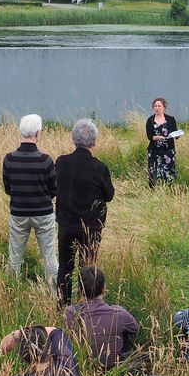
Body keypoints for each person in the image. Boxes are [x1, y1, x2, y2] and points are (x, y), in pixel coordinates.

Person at [54, 118, 115, 305]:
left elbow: (55, 188)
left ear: (74, 140)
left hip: (66, 224)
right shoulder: (99, 167)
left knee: (65, 266)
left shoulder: (61, 162)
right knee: (87, 267)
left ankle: (63, 305)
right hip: (90, 226)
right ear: (94, 142)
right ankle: (86, 305)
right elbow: (109, 195)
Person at [3, 113, 59, 295]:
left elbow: (8, 188)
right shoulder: (46, 160)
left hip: (18, 212)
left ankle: (12, 292)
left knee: (15, 257)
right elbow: (54, 189)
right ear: (37, 133)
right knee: (49, 257)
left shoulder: (9, 159)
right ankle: (53, 295)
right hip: (43, 212)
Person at [64, 266, 141, 369]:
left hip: (84, 367)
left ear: (80, 290)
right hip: (115, 368)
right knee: (125, 336)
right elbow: (136, 329)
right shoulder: (120, 313)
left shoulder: (70, 313)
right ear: (104, 288)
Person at [145, 97, 180, 186]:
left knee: (168, 171)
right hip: (154, 150)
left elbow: (175, 133)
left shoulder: (170, 119)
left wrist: (177, 135)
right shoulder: (150, 120)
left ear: (164, 107)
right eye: (155, 106)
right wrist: (157, 137)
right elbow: (149, 136)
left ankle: (169, 189)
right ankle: (153, 190)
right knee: (153, 171)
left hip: (168, 150)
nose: (157, 108)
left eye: (159, 106)